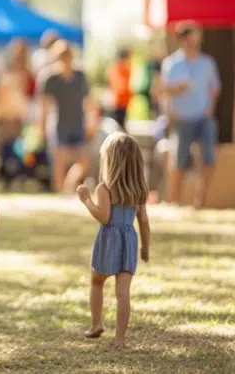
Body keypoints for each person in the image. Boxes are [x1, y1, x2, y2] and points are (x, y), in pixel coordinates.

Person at [76, 132, 151, 348]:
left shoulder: (104, 188)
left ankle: (96, 324)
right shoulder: (139, 190)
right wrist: (145, 247)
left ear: (109, 162)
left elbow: (104, 217)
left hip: (109, 240)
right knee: (123, 292)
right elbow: (144, 221)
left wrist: (86, 200)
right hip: (129, 242)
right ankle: (120, 339)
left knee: (97, 281)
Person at [161, 25, 220, 209]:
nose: (191, 41)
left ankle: (199, 202)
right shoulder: (171, 64)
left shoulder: (207, 63)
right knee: (178, 160)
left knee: (208, 158)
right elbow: (162, 90)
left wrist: (209, 109)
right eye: (188, 37)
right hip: (182, 118)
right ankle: (174, 201)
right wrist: (176, 90)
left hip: (203, 118)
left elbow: (215, 88)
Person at [37, 40, 95, 194]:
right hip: (59, 125)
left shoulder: (80, 76)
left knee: (84, 161)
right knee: (59, 161)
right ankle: (59, 193)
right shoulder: (50, 78)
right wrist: (41, 127)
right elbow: (46, 106)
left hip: (78, 123)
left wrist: (91, 122)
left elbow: (88, 102)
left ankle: (68, 186)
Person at [106, 48, 132, 130]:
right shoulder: (117, 68)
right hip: (117, 101)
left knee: (121, 123)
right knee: (116, 124)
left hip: (123, 101)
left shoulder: (125, 68)